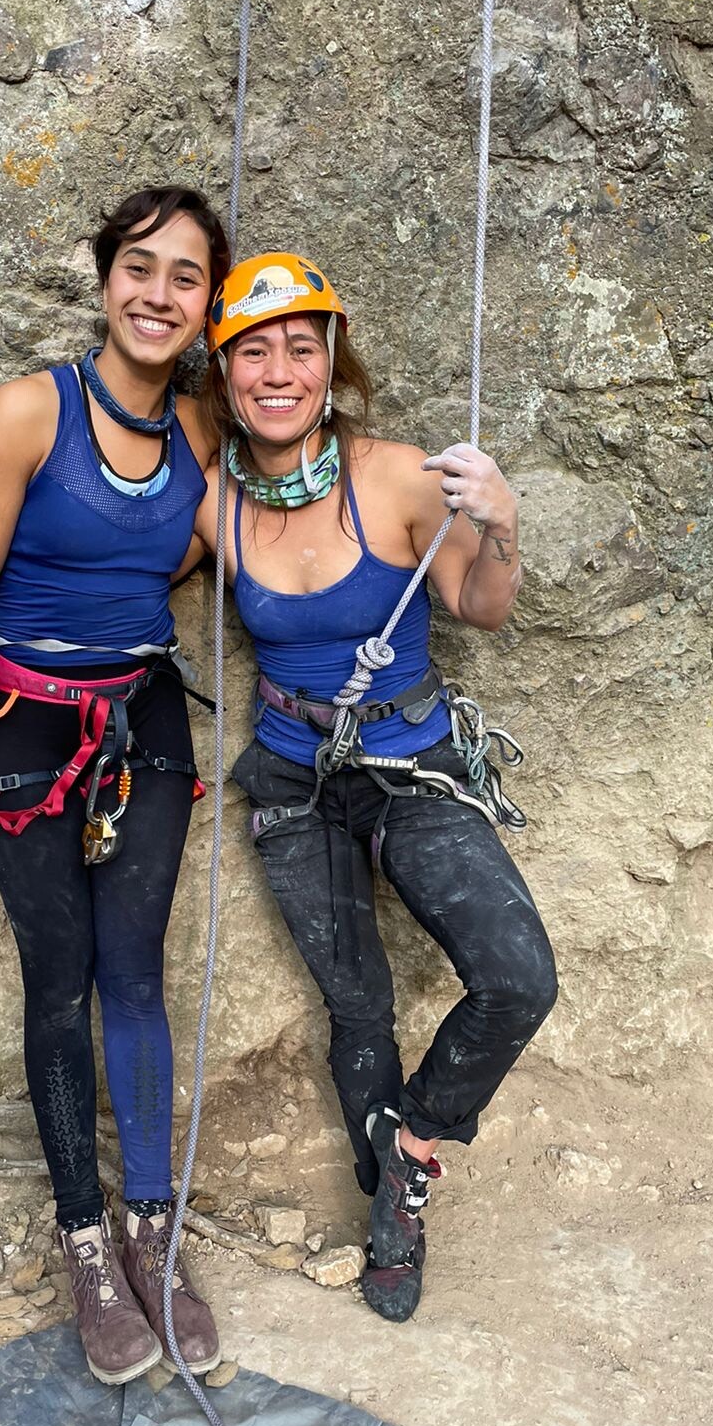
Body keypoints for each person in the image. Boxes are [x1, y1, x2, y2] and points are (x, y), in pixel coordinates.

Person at [195, 252, 558, 1322]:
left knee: (516, 974)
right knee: (357, 1004)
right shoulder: (214, 504)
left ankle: (411, 1147)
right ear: (224, 375)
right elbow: (118, 543)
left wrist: (501, 521)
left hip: (409, 764)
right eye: (253, 351)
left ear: (330, 362)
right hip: (293, 776)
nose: (278, 370)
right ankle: (387, 1202)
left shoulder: (398, 476)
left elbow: (483, 607)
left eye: (299, 348)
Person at [0, 187, 229, 1383]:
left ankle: (152, 1229)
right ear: (105, 278)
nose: (159, 294)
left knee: (134, 976)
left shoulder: (200, 434)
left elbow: (211, 539)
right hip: (22, 730)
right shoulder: (24, 416)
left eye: (187, 277)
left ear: (208, 303)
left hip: (142, 715)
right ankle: (85, 1243)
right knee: (58, 983)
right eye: (140, 268)